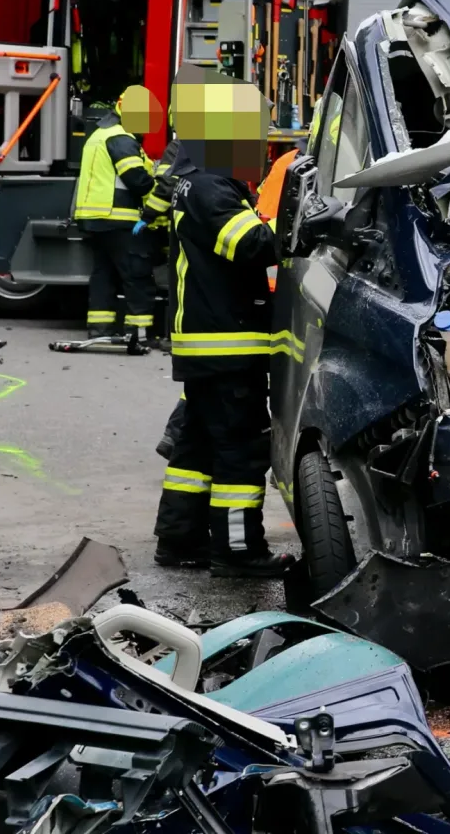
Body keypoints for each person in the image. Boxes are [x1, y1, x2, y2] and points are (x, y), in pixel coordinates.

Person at [151, 65, 289, 576]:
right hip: (227, 344)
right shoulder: (212, 187)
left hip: (206, 344)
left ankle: (178, 540)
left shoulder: (194, 181)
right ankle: (237, 551)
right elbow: (250, 246)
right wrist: (299, 225)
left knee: (197, 446)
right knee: (239, 451)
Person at [71, 85, 160, 340]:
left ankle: (100, 329)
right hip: (118, 219)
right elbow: (137, 180)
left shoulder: (99, 135)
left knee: (103, 276)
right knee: (136, 276)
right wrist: (157, 184)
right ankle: (138, 333)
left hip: (94, 220)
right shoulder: (121, 138)